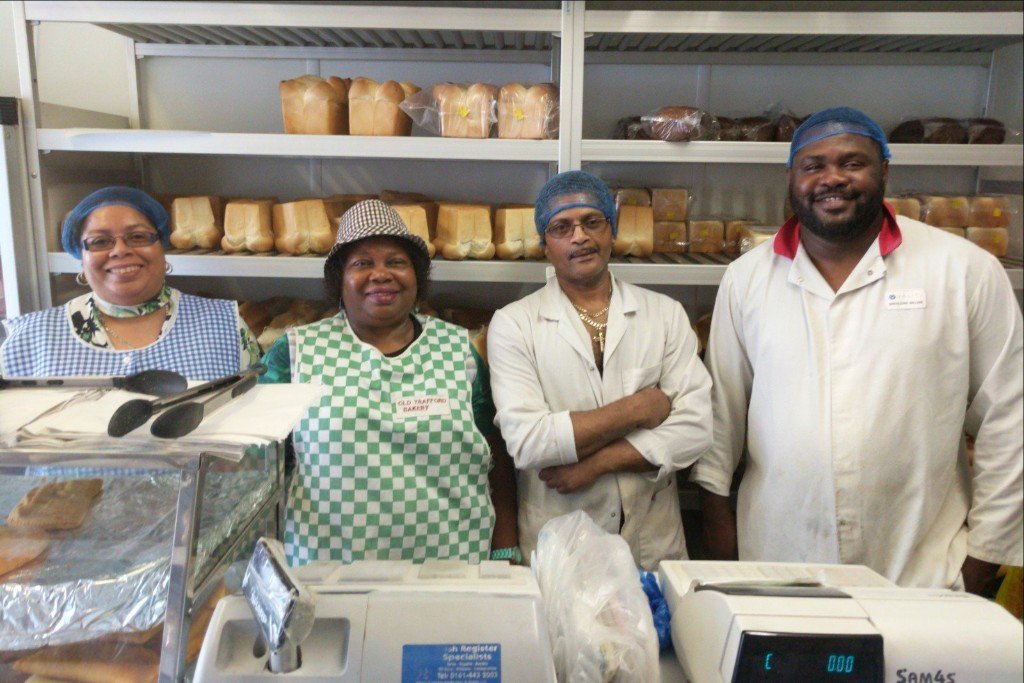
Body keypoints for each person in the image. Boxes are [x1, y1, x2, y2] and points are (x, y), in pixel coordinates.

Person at [692, 107, 1023, 591]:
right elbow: (722, 411)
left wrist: (983, 557)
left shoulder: (963, 270)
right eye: (814, 166)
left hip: (921, 568)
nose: (833, 179)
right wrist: (720, 533)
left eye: (852, 163)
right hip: (780, 559)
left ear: (885, 170)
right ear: (792, 178)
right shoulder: (747, 278)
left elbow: (1010, 418)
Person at [260, 199, 518, 566]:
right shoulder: (298, 353)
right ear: (339, 281)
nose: (381, 274)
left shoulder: (458, 348)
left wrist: (505, 550)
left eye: (396, 262)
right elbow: (257, 464)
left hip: (452, 567)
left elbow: (498, 458)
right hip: (328, 571)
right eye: (363, 263)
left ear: (416, 277)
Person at [487, 171, 713, 570]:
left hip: (652, 543)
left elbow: (695, 429)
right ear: (544, 244)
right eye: (562, 228)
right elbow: (527, 442)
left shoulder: (664, 314)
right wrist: (639, 409)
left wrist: (597, 464)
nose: (580, 237)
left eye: (593, 222)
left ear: (612, 231)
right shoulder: (514, 323)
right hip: (561, 545)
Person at [0, 186, 260, 379]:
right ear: (82, 258)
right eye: (100, 241)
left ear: (162, 248)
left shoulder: (227, 327)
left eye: (137, 237)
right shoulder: (28, 338)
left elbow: (260, 431)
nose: (120, 251)